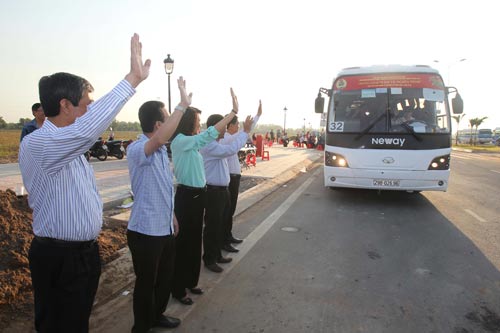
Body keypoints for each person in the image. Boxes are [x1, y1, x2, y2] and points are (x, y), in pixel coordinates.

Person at [18, 34, 150, 333]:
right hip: (58, 257)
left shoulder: (70, 146)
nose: (90, 110)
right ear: (65, 105)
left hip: (82, 255)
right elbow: (87, 131)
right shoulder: (39, 143)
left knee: (76, 324)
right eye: (86, 104)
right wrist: (130, 80)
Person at [126, 77, 191, 333]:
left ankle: (157, 316)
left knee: (164, 279)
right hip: (145, 233)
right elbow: (154, 143)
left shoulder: (162, 151)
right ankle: (141, 326)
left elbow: (164, 190)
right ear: (158, 124)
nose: (171, 125)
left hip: (163, 228)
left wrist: (172, 216)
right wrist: (182, 106)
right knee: (146, 283)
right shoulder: (138, 148)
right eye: (167, 119)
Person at [170, 94, 239, 305]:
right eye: (197, 122)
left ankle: (190, 281)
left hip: (199, 195)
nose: (199, 126)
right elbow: (209, 135)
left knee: (193, 242)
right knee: (184, 244)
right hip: (187, 196)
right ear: (188, 123)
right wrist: (232, 115)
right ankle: (178, 289)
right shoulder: (181, 141)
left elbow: (207, 136)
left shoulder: (191, 142)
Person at [200, 88, 253, 273]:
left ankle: (217, 255)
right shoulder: (209, 144)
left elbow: (232, 142)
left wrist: (246, 131)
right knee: (212, 227)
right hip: (213, 191)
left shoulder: (218, 142)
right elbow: (231, 150)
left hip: (222, 190)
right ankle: (209, 259)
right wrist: (245, 133)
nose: (224, 131)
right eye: (222, 127)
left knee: (220, 223)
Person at [220, 100, 262, 253]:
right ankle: (223, 240)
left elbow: (246, 130)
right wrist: (256, 117)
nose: (238, 127)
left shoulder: (231, 137)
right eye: (236, 124)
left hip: (234, 178)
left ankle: (228, 235)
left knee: (230, 211)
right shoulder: (225, 138)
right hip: (229, 179)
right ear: (229, 125)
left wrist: (257, 116)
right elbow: (246, 132)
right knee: (226, 212)